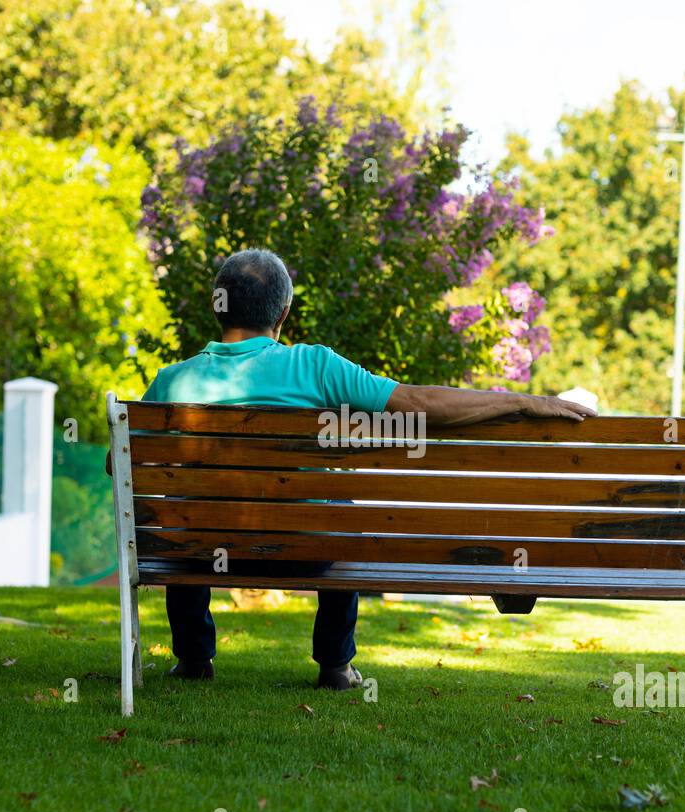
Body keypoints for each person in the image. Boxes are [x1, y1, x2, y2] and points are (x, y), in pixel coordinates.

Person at [142, 248, 594, 690]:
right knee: (338, 509)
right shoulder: (314, 365)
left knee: (188, 506)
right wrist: (523, 400)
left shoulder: (172, 381)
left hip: (203, 549)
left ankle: (194, 657)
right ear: (282, 314)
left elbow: (121, 463)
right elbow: (419, 405)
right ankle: (335, 665)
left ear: (217, 307)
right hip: (306, 551)